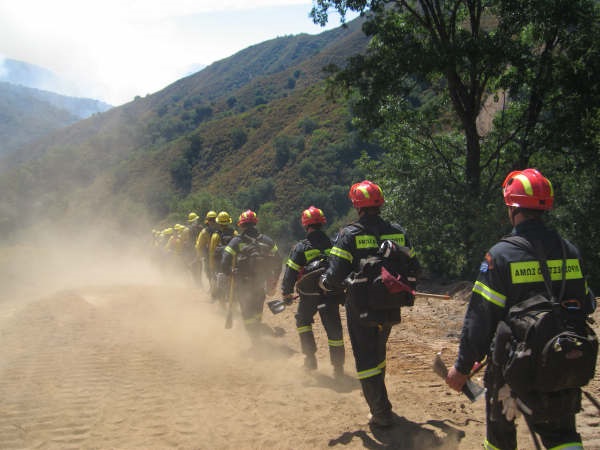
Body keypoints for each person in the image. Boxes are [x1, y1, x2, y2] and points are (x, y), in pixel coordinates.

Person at [445, 168, 596, 450]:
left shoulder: (500, 256)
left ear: (512, 208)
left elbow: (481, 318)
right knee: (562, 436)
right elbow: (586, 304)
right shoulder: (569, 251)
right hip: (559, 356)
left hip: (512, 366)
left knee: (500, 437)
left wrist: (462, 367)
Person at [319, 180, 421, 427]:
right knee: (378, 350)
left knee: (365, 358)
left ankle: (381, 412)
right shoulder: (398, 232)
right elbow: (416, 266)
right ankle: (380, 400)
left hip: (360, 306)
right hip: (391, 304)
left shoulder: (348, 235)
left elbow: (334, 275)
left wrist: (323, 283)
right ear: (380, 204)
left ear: (357, 206)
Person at [280, 206, 345, 376]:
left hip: (309, 296)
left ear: (305, 225)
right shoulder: (333, 243)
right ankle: (338, 369)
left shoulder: (301, 247)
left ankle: (310, 360)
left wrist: (286, 293)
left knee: (302, 321)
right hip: (330, 293)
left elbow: (291, 271)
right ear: (322, 223)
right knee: (334, 330)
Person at [221, 210, 281, 344]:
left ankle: (254, 339)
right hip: (260, 283)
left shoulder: (236, 241)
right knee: (257, 310)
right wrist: (274, 280)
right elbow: (278, 261)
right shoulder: (267, 240)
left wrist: (230, 273)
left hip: (243, 283)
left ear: (241, 225)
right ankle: (257, 333)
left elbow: (224, 261)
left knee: (247, 312)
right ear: (255, 223)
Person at [208, 211, 238, 304]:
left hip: (220, 266)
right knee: (233, 286)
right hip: (232, 265)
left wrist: (212, 267)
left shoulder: (215, 235)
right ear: (229, 222)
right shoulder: (235, 233)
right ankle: (233, 305)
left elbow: (212, 252)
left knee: (220, 286)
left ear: (219, 223)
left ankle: (222, 306)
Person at [195, 211, 218, 289]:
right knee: (209, 272)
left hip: (213, 254)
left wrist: (199, 256)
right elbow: (199, 246)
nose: (212, 221)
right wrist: (200, 255)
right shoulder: (220, 229)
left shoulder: (204, 232)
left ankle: (214, 287)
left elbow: (198, 246)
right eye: (211, 220)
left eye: (213, 219)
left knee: (210, 271)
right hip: (210, 255)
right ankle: (212, 287)